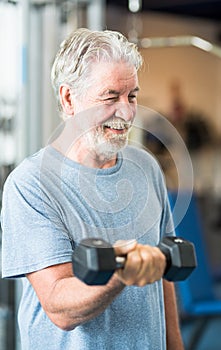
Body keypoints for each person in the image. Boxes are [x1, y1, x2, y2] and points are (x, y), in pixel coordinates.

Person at [1, 28, 184, 349]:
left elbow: (164, 278)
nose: (127, 112)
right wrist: (121, 275)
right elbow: (60, 306)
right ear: (69, 98)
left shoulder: (146, 168)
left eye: (132, 96)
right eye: (111, 97)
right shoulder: (31, 185)